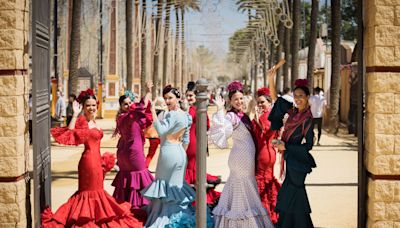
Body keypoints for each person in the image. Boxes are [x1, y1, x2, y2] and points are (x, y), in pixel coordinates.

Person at [42, 88, 141, 227]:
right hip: (88, 162)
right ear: (83, 106)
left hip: (98, 162)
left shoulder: (95, 122)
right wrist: (75, 114)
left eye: (94, 105)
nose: (91, 108)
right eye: (88, 105)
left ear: (97, 106)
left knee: (98, 191)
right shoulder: (82, 122)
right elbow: (69, 133)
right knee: (88, 192)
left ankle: (97, 218)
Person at [141, 85, 213, 227]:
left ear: (178, 98)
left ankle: (166, 218)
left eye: (170, 98)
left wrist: (153, 112)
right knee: (176, 186)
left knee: (165, 186)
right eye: (166, 98)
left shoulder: (172, 114)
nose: (167, 101)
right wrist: (180, 154)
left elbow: (161, 131)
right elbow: (185, 140)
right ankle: (180, 215)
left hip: (169, 152)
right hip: (179, 153)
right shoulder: (186, 116)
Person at [209, 80, 273, 227]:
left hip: (246, 157)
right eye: (235, 99)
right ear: (230, 101)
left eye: (240, 98)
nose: (239, 101)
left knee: (243, 187)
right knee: (242, 187)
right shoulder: (231, 116)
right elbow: (223, 129)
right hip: (241, 158)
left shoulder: (242, 114)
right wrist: (220, 110)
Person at [268, 70, 316, 228]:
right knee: (292, 195)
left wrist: (286, 146)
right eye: (296, 96)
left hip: (298, 161)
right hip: (290, 158)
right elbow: (276, 100)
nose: (298, 99)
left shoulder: (307, 118)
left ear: (307, 97)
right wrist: (271, 78)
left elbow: (308, 145)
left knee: (293, 192)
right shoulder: (293, 112)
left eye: (301, 96)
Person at [111, 83, 154, 220]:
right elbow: (142, 106)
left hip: (124, 153)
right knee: (140, 178)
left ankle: (128, 210)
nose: (129, 105)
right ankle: (136, 212)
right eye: (125, 104)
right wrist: (147, 91)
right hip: (133, 153)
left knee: (129, 180)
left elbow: (141, 110)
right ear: (121, 106)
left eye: (130, 103)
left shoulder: (121, 117)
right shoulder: (129, 116)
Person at [184, 81, 221, 207]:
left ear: (196, 97)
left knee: (193, 171)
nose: (189, 98)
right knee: (192, 170)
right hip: (187, 143)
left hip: (193, 144)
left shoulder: (196, 110)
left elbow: (207, 126)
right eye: (187, 95)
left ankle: (197, 200)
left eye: (191, 96)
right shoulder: (189, 109)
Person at [252, 87, 281, 225]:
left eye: (263, 102)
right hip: (269, 153)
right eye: (258, 102)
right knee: (266, 182)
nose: (260, 105)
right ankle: (269, 212)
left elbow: (265, 132)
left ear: (270, 103)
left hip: (264, 154)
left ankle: (266, 216)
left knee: (262, 183)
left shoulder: (266, 116)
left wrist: (257, 119)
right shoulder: (271, 115)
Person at [145, 96, 166, 167]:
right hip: (160, 136)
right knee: (164, 151)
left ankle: (145, 166)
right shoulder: (163, 113)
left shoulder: (151, 112)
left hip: (152, 136)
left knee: (151, 153)